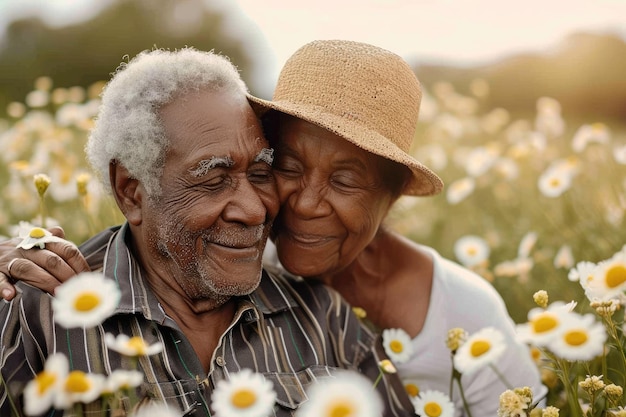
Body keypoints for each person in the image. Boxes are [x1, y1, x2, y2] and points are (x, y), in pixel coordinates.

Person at [0, 40, 546, 415]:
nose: (275, 207)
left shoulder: (340, 315)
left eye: (348, 179)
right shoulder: (44, 308)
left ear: (392, 195)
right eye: (283, 167)